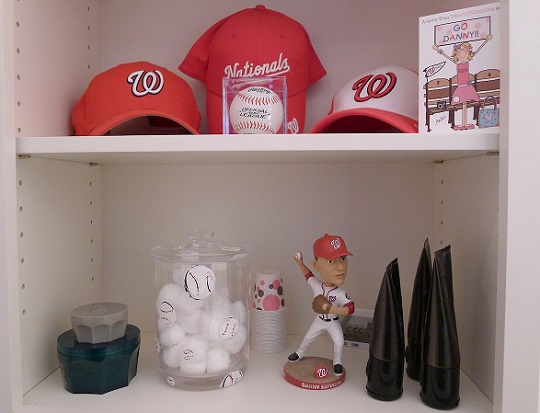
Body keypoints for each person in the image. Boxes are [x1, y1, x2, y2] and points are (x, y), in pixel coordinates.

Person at [288, 234, 355, 376]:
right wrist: (300, 264)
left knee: (339, 342)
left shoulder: (340, 293)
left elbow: (350, 309)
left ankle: (337, 362)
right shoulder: (317, 286)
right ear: (316, 264)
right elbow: (308, 275)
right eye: (331, 261)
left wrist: (331, 309)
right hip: (319, 320)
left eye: (343, 258)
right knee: (308, 337)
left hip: (333, 321)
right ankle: (299, 353)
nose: (340, 266)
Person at [433, 34, 493, 131]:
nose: (462, 53)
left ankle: (465, 123)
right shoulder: (458, 63)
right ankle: (462, 123)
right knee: (462, 104)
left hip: (467, 87)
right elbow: (447, 56)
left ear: (468, 52)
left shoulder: (466, 62)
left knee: (465, 104)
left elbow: (477, 51)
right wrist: (437, 49)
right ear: (456, 53)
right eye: (459, 51)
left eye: (464, 51)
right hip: (460, 87)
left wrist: (486, 40)